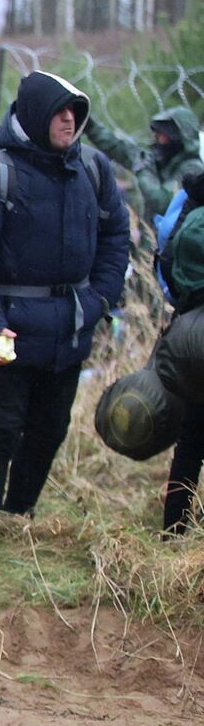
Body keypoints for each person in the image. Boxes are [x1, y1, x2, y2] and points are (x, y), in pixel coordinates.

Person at [0, 72, 128, 516]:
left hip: (69, 327)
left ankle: (20, 514)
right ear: (35, 115)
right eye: (59, 112)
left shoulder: (92, 169)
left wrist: (99, 301)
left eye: (76, 112)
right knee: (2, 432)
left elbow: (116, 237)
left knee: (50, 431)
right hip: (6, 329)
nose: (70, 121)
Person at [157, 171, 204, 534]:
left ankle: (174, 527)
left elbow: (168, 267)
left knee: (191, 438)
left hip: (187, 332)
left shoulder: (190, 203)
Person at [85, 107, 203, 225]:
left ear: (179, 137)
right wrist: (90, 126)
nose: (158, 140)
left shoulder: (193, 169)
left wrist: (143, 171)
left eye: (164, 136)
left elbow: (163, 202)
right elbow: (119, 148)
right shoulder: (160, 161)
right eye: (157, 135)